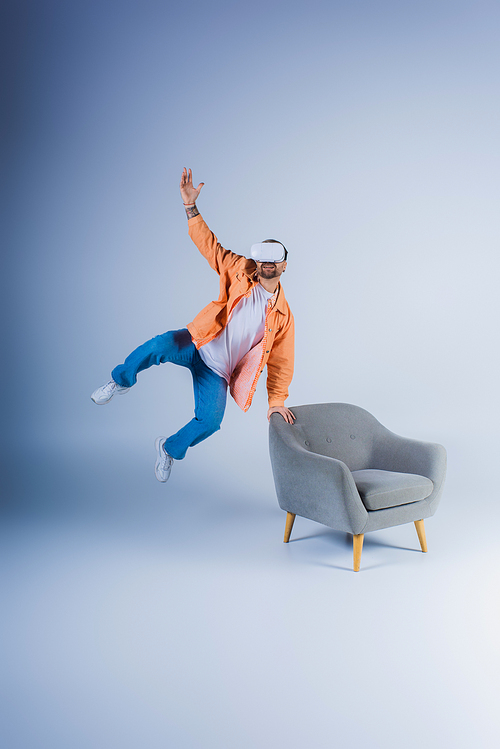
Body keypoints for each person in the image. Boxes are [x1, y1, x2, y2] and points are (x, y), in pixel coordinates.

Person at [91, 168, 295, 482]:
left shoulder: (283, 316)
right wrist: (191, 207)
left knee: (210, 422)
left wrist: (277, 402)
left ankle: (169, 449)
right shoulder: (240, 269)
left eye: (274, 259)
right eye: (263, 258)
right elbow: (211, 247)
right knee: (158, 346)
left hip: (218, 371)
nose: (267, 264)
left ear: (283, 265)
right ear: (258, 261)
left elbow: (281, 362)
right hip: (199, 342)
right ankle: (121, 380)